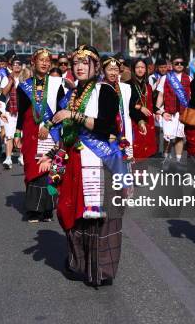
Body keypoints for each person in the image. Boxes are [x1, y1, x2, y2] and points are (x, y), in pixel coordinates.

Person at [48, 45, 129, 286]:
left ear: (96, 66)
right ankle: (79, 263)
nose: (80, 67)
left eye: (86, 62)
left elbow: (107, 127)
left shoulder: (104, 91)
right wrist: (53, 154)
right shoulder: (72, 93)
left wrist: (74, 116)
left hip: (99, 161)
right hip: (74, 159)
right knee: (70, 210)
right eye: (76, 63)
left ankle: (100, 271)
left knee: (99, 217)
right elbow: (65, 130)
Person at [14, 49, 63, 222]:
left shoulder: (57, 85)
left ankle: (48, 209)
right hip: (30, 132)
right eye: (41, 60)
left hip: (52, 132)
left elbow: (61, 109)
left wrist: (49, 125)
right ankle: (33, 210)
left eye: (47, 60)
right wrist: (17, 133)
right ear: (33, 63)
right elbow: (21, 112)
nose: (45, 63)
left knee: (49, 170)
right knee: (33, 169)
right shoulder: (24, 86)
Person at [155, 55, 191, 163]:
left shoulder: (189, 78)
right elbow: (161, 95)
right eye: (176, 63)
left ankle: (178, 160)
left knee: (180, 137)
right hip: (168, 112)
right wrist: (157, 110)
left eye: (181, 63)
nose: (179, 65)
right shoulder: (165, 78)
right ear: (172, 64)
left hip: (182, 113)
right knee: (168, 137)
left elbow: (191, 96)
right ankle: (166, 158)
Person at [102, 56, 134, 162]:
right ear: (103, 71)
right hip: (104, 132)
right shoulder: (98, 87)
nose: (113, 73)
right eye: (110, 69)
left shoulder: (125, 88)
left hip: (122, 131)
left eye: (115, 70)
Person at [128, 58, 157, 161]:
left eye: (142, 67)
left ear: (146, 69)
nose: (140, 70)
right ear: (133, 69)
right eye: (137, 67)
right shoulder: (128, 85)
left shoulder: (147, 85)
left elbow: (151, 103)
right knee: (136, 151)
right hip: (134, 121)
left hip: (148, 121)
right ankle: (134, 175)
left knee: (146, 151)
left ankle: (142, 175)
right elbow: (127, 104)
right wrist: (140, 107)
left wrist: (160, 113)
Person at [0, 57, 24, 170]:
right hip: (10, 111)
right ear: (11, 66)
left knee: (22, 135)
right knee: (9, 135)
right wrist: (11, 82)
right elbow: (4, 93)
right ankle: (8, 158)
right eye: (15, 64)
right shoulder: (7, 78)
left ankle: (22, 156)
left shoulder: (26, 78)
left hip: (22, 110)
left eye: (19, 64)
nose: (17, 66)